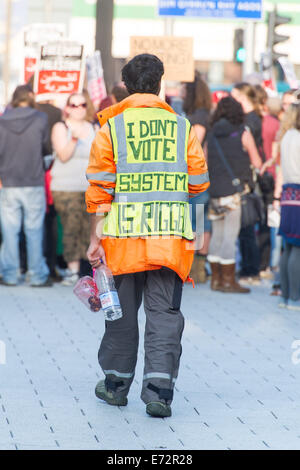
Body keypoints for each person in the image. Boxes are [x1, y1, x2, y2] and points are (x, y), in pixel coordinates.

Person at [85, 54, 210, 418]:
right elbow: (199, 183)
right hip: (170, 238)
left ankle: (115, 386)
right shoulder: (182, 127)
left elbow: (100, 190)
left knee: (121, 315)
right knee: (165, 315)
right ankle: (158, 392)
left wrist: (96, 238)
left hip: (123, 239)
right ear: (160, 84)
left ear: (126, 86)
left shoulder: (112, 128)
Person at [206, 96, 262, 293]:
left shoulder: (211, 134)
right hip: (233, 192)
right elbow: (256, 162)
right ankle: (229, 281)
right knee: (230, 236)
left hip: (214, 191)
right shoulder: (242, 132)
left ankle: (215, 280)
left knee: (217, 235)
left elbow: (204, 162)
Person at [0, 85, 51, 286]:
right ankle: (36, 275)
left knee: (10, 231)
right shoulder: (40, 118)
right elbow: (46, 148)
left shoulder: (2, 120)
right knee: (34, 230)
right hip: (34, 180)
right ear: (30, 97)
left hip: (9, 182)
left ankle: (11, 274)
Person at [51, 92, 96, 286]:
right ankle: (72, 270)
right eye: (74, 105)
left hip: (90, 188)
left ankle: (87, 271)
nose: (78, 109)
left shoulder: (94, 127)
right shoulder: (61, 127)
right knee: (70, 228)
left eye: (82, 105)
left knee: (89, 230)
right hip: (66, 188)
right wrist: (74, 140)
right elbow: (63, 155)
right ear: (67, 107)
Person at [231, 82, 264, 283]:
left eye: (234, 96)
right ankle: (248, 267)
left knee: (247, 228)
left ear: (243, 97)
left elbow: (251, 152)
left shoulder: (251, 121)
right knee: (245, 228)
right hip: (243, 177)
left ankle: (250, 269)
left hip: (246, 179)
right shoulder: (249, 119)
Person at [182, 71, 212, 283]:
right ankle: (196, 267)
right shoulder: (201, 114)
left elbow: (194, 145)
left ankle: (197, 269)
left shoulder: (199, 117)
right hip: (197, 175)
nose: (181, 93)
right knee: (198, 220)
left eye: (184, 90)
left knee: (197, 221)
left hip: (196, 175)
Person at [276, 104, 300, 310]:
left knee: (288, 246)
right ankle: (294, 297)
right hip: (298, 192)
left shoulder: (285, 137)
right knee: (297, 248)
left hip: (287, 193)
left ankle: (285, 295)